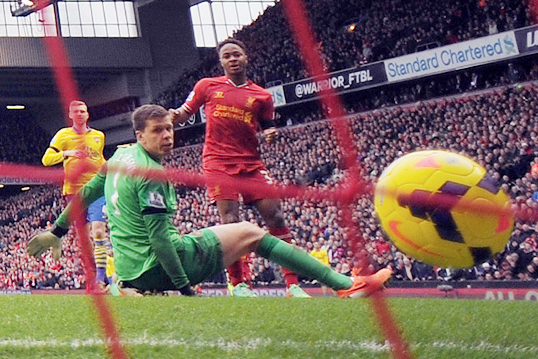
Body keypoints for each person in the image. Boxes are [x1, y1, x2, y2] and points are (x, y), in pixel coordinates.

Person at [27, 105, 391, 298]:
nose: (168, 136)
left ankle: (133, 286)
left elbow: (88, 191)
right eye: (158, 131)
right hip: (157, 266)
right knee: (251, 232)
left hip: (130, 268)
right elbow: (159, 240)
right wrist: (185, 287)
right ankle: (345, 285)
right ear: (140, 134)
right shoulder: (151, 174)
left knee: (236, 229)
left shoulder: (120, 156)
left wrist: (56, 231)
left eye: (170, 128)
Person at [170, 37, 308, 298]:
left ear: (246, 57)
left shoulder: (262, 95)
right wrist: (174, 116)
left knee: (275, 216)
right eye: (227, 56)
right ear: (221, 62)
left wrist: (271, 133)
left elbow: (268, 125)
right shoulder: (207, 86)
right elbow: (185, 112)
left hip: (251, 163)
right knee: (230, 221)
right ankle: (239, 284)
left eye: (236, 55)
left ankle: (293, 284)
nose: (232, 59)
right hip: (218, 162)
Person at [41, 100, 110, 286]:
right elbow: (46, 160)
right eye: (76, 112)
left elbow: (99, 158)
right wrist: (67, 153)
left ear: (87, 114)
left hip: (96, 189)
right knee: (84, 238)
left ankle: (100, 276)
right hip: (74, 191)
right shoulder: (63, 135)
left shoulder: (98, 136)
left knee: (99, 231)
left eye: (83, 111)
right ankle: (95, 275)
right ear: (70, 115)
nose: (80, 114)